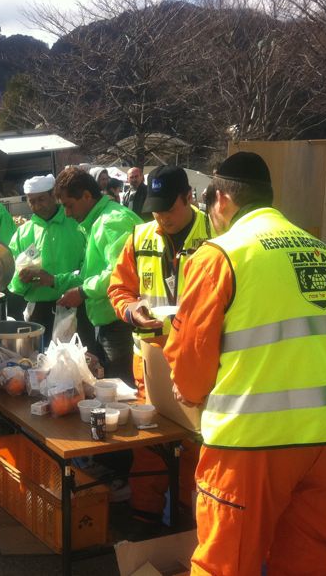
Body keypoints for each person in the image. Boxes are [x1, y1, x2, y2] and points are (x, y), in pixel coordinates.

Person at [165, 152, 326, 575]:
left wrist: (189, 394)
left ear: (221, 200)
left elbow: (191, 362)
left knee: (226, 564)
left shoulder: (221, 256)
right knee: (317, 562)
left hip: (251, 445)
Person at [107, 165, 211, 532]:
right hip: (149, 359)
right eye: (155, 210)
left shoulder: (217, 234)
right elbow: (118, 289)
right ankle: (144, 523)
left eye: (169, 209)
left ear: (188, 198)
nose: (162, 217)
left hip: (198, 360)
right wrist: (132, 311)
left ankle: (188, 526)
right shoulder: (138, 237)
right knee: (148, 445)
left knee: (195, 448)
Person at [54, 167, 142, 382]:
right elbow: (90, 272)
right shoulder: (98, 221)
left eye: (69, 205)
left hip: (120, 322)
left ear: (86, 196)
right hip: (108, 320)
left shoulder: (112, 221)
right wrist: (57, 281)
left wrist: (83, 292)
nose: (67, 213)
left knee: (121, 390)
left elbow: (119, 274)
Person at [7, 174, 86, 340]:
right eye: (32, 201)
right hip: (38, 312)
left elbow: (89, 269)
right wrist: (21, 279)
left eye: (41, 199)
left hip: (74, 306)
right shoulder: (23, 233)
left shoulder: (76, 224)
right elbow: (12, 278)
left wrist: (54, 280)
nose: (37, 206)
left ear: (53, 196)